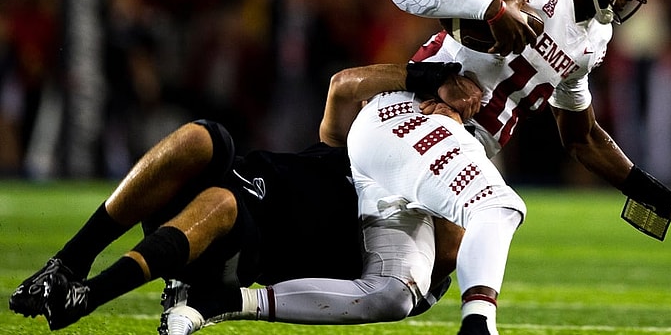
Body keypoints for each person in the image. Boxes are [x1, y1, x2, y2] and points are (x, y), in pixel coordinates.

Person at [176, 0, 671, 335]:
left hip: (449, 148)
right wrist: (489, 7)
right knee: (499, 205)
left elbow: (583, 135)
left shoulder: (591, 38)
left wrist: (658, 198)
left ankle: (223, 301)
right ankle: (479, 326)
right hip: (408, 117)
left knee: (394, 293)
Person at [8, 64, 478, 333]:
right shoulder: (352, 150)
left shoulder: (399, 227)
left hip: (238, 248)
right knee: (203, 137)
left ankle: (88, 297)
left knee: (224, 203)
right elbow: (342, 86)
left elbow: (448, 253)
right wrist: (428, 77)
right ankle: (68, 264)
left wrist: (454, 143)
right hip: (220, 198)